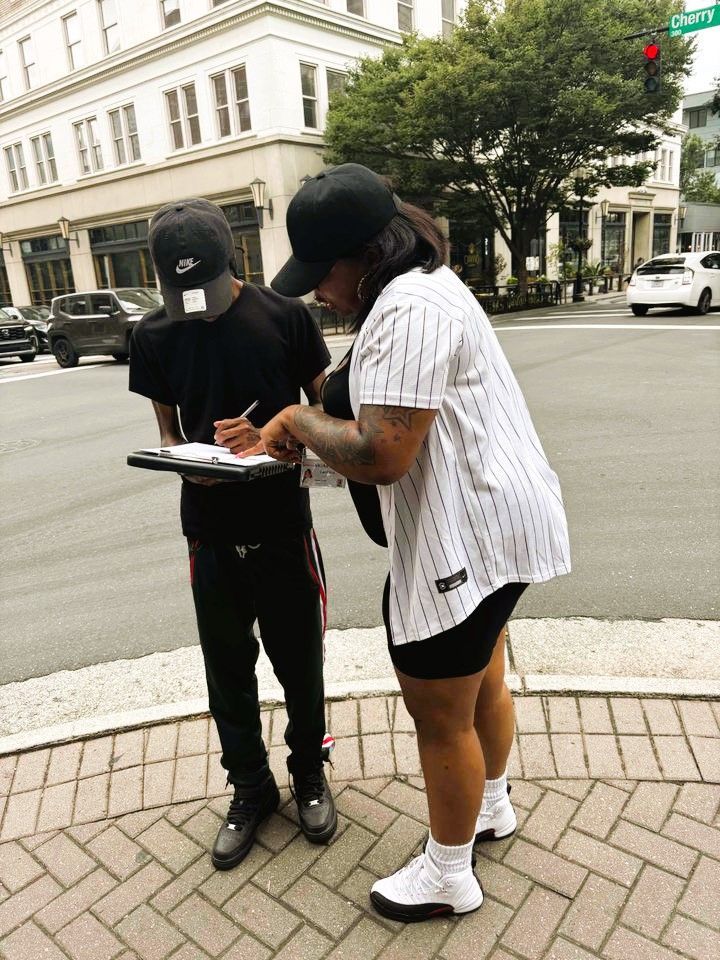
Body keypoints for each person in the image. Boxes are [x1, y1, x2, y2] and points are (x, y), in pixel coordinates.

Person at [243, 164, 571, 922]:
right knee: (483, 678)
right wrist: (315, 434)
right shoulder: (427, 284)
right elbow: (386, 431)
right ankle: (490, 807)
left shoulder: (410, 308)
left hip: (467, 531)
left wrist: (294, 422)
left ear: (359, 261)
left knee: (438, 710)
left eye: (321, 276)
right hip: (498, 520)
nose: (319, 293)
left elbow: (384, 453)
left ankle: (449, 872)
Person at [129, 198, 337, 872]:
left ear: (234, 258)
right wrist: (187, 461)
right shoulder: (153, 333)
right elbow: (166, 431)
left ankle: (309, 770)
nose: (200, 304)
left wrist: (276, 433)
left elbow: (331, 412)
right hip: (208, 529)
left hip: (281, 523)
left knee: (300, 664)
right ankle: (250, 787)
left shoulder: (285, 315)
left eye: (209, 285)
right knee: (226, 674)